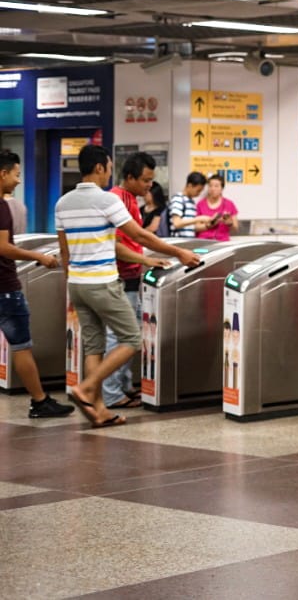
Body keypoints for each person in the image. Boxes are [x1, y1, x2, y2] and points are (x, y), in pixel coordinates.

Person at [57, 145, 198, 427]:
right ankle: (86, 388)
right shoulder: (107, 200)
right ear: (99, 168)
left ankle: (98, 410)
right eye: (109, 166)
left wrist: (71, 282)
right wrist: (178, 253)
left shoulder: (62, 203)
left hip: (77, 283)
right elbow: (140, 237)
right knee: (132, 339)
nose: (111, 171)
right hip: (102, 282)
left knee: (94, 346)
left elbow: (64, 252)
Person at [0, 151, 73, 418]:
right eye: (17, 174)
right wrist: (39, 256)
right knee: (21, 345)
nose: (19, 181)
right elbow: (4, 247)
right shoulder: (1, 208)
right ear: (3, 174)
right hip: (5, 288)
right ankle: (40, 401)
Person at [102, 152, 172, 411]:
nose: (149, 186)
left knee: (127, 335)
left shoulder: (129, 199)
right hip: (121, 277)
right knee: (119, 337)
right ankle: (110, 394)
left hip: (131, 278)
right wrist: (147, 260)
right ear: (129, 177)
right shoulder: (118, 200)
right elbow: (117, 246)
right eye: (145, 180)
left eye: (151, 180)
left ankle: (124, 387)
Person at [195, 174, 238, 241]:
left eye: (216, 186)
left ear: (222, 188)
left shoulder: (229, 204)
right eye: (210, 186)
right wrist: (210, 224)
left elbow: (235, 228)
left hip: (222, 242)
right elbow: (196, 227)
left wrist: (230, 223)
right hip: (203, 241)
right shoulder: (200, 204)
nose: (213, 189)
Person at [168, 172, 209, 238]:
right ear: (190, 186)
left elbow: (191, 228)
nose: (199, 194)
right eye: (198, 191)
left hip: (189, 240)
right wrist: (198, 219)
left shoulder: (191, 202)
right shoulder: (178, 198)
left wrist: (208, 225)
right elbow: (177, 223)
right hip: (178, 241)